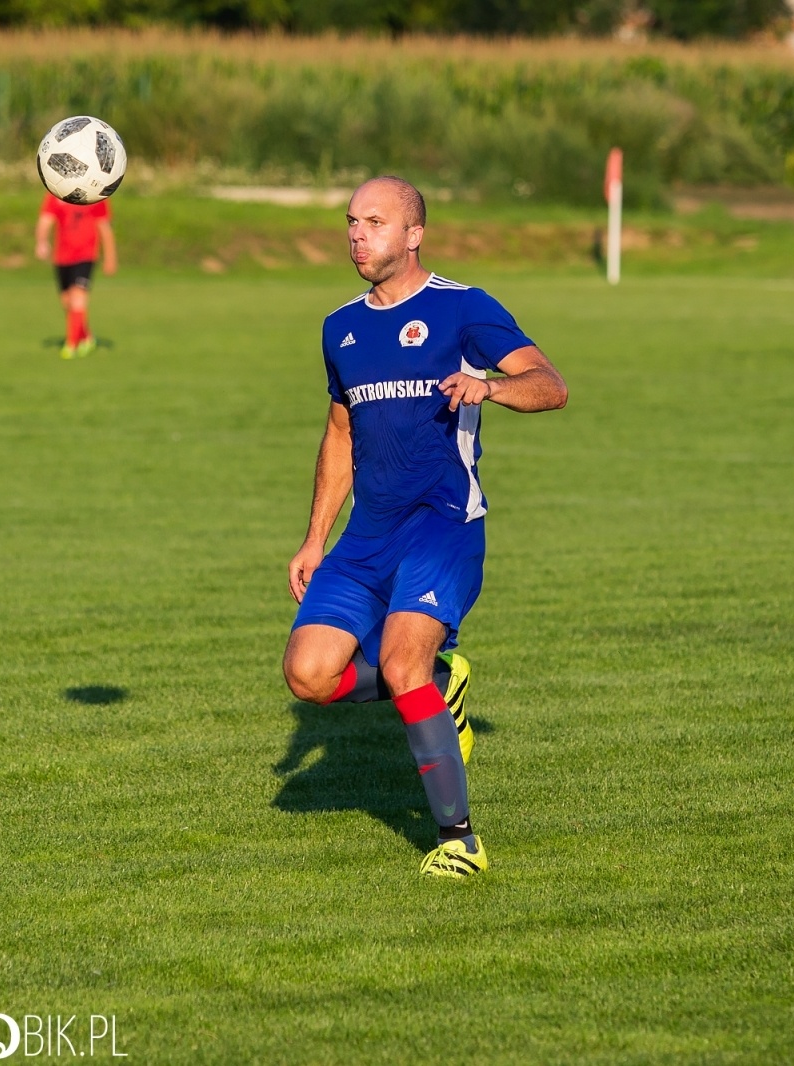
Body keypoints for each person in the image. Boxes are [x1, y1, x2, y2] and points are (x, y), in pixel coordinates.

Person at [281, 176, 567, 878]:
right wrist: (316, 536)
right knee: (309, 677)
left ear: (414, 235)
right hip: (368, 535)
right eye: (351, 221)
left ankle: (459, 841)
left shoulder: (463, 308)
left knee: (400, 664)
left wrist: (491, 387)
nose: (356, 234)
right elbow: (340, 434)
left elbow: (551, 384)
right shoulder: (339, 327)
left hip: (443, 525)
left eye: (375, 222)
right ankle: (441, 681)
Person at [34, 193, 117, 360]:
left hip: (85, 256)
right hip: (62, 257)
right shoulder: (56, 192)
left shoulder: (96, 193)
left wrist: (110, 257)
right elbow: (45, 220)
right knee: (68, 303)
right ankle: (87, 338)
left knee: (78, 297)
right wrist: (41, 241)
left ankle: (71, 344)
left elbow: (104, 228)